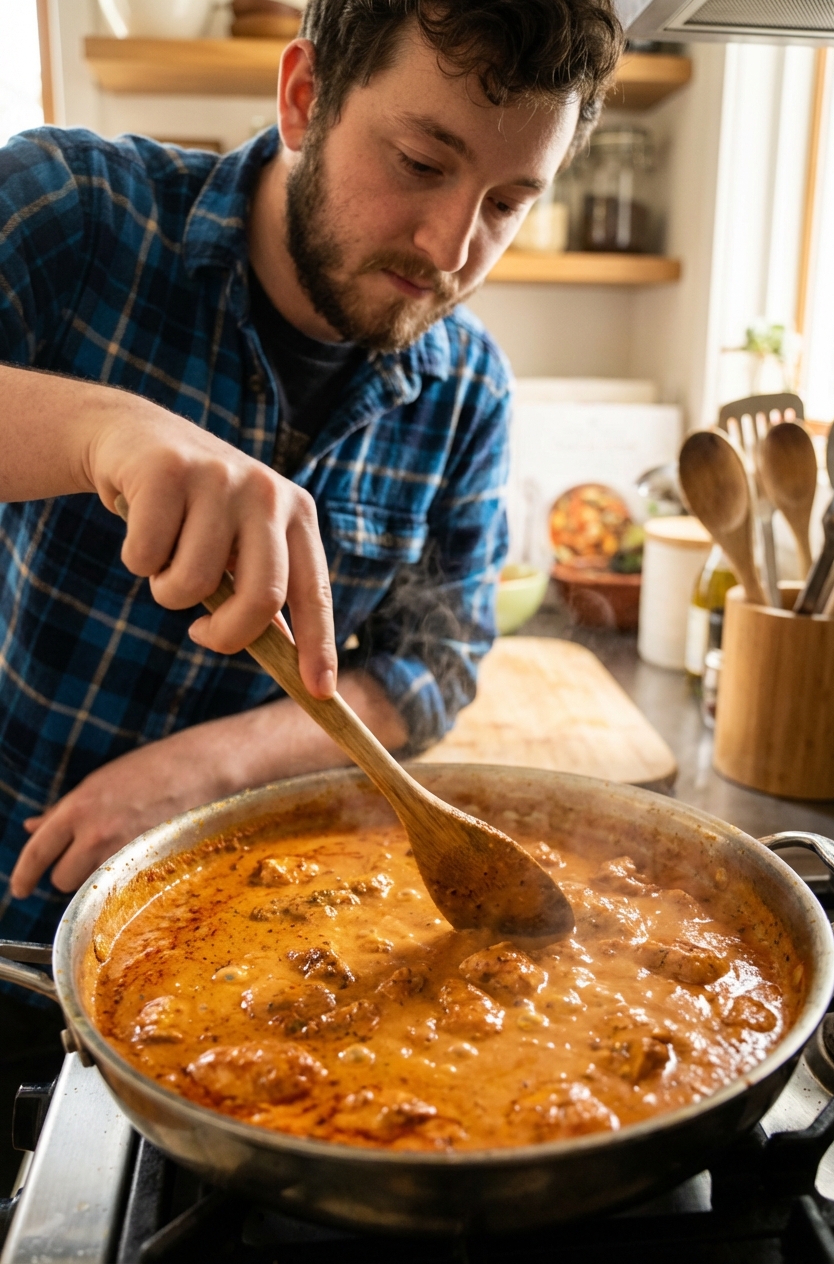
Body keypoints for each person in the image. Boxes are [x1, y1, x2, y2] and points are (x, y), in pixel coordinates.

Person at [0, 0, 620, 1190]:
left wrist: (209, 767)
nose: (451, 245)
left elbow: (437, 659)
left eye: (505, 202)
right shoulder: (73, 213)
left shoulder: (466, 390)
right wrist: (99, 428)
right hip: (25, 901)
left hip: (280, 953)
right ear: (302, 98)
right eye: (421, 162)